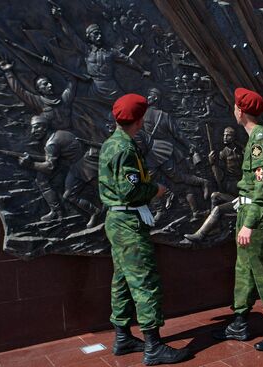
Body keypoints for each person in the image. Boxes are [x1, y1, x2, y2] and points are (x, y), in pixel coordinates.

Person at [98, 94, 189, 365]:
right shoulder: (124, 148)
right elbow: (130, 189)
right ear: (137, 120)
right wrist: (156, 190)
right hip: (128, 222)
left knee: (123, 280)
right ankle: (153, 345)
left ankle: (123, 336)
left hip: (118, 220)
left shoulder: (111, 143)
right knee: (144, 280)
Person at [212, 88, 263, 351]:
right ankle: (239, 322)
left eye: (235, 107)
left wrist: (249, 222)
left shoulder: (260, 141)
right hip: (247, 211)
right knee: (244, 268)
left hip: (255, 217)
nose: (233, 111)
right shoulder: (254, 139)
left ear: (241, 111)